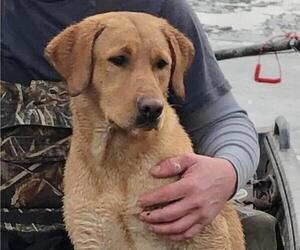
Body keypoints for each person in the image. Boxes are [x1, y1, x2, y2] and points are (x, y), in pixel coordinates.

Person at [1, 0, 277, 249]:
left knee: (260, 228)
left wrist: (227, 173)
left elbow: (222, 117)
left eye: (160, 65)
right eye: (119, 60)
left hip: (142, 202)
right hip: (20, 231)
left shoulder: (158, 9)